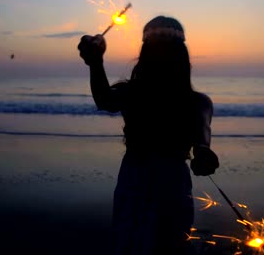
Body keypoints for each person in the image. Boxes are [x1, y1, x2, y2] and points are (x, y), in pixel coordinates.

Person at [78, 16, 219, 255]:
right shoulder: (131, 93)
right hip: (140, 181)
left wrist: (204, 153)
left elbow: (202, 136)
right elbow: (104, 99)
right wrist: (95, 63)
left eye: (169, 50)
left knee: (161, 243)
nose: (163, 57)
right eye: (157, 50)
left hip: (163, 184)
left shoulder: (197, 103)